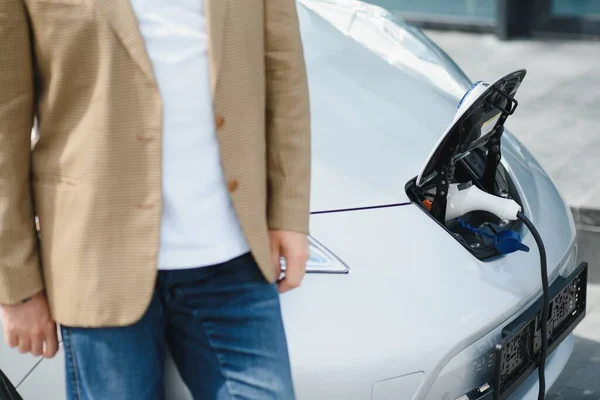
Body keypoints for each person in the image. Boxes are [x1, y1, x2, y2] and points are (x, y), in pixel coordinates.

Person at [0, 0, 310, 399]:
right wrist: (17, 286)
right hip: (98, 262)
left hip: (232, 260)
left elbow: (283, 68)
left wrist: (289, 210)